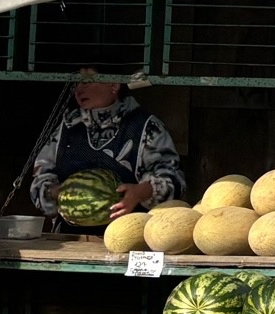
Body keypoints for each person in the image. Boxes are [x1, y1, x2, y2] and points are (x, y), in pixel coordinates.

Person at [30, 68, 184, 218]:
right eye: (76, 83)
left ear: (114, 85)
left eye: (87, 81)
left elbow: (174, 181)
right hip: (71, 237)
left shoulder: (145, 126)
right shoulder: (67, 125)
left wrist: (139, 192)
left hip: (129, 232)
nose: (79, 89)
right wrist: (60, 192)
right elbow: (40, 179)